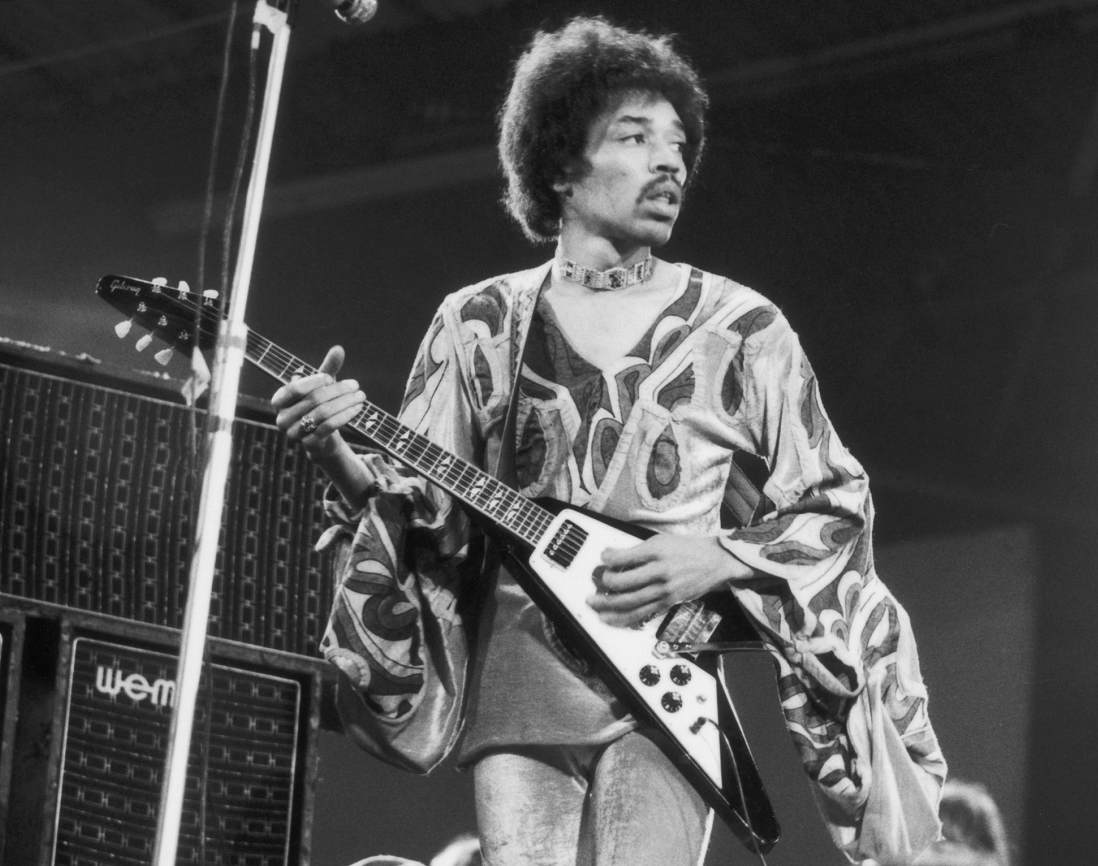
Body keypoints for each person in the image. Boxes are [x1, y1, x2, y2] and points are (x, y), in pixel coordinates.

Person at [272, 16, 945, 866]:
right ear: (560, 166)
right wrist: (335, 451)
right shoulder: (479, 321)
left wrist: (719, 556)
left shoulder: (742, 328)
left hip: (666, 700)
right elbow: (428, 517)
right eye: (635, 137)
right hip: (518, 698)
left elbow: (836, 501)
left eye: (678, 145)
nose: (670, 163)